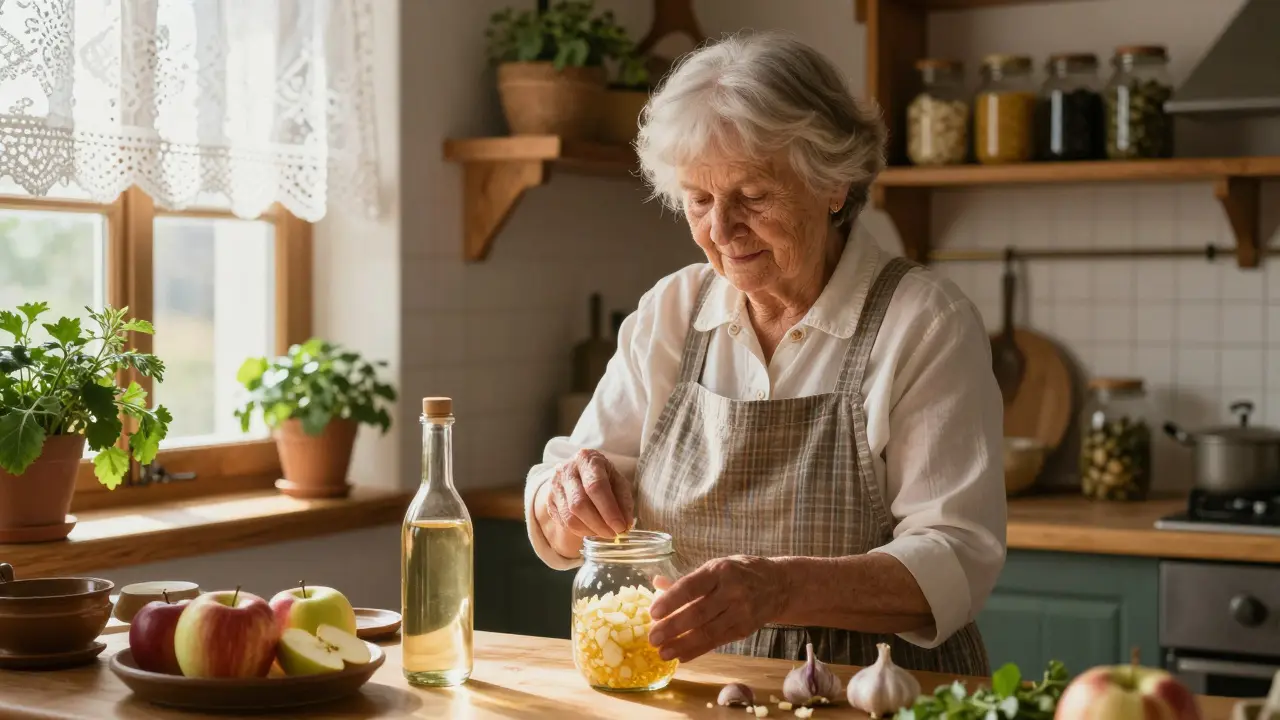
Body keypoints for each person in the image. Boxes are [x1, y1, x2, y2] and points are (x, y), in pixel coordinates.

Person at [522, 32, 1005, 674]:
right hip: (696, 683)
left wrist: (777, 588)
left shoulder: (923, 323)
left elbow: (955, 561)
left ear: (833, 185)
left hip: (870, 689)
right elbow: (560, 511)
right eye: (698, 199)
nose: (720, 230)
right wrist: (565, 500)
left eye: (751, 196)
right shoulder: (671, 311)